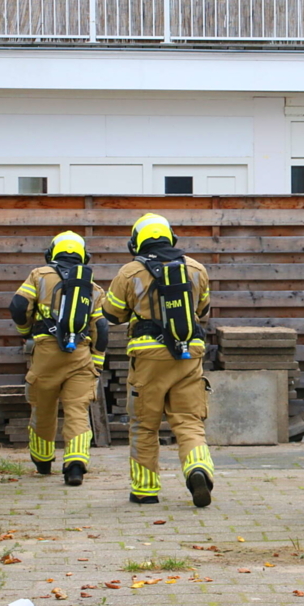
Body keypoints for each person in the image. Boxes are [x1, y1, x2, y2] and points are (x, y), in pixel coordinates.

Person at [102, 213, 214, 507]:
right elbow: (203, 311)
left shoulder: (130, 271)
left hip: (148, 357)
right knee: (189, 422)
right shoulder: (196, 268)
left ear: (135, 242)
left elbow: (112, 314)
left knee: (144, 424)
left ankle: (145, 489)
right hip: (189, 355)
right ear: (171, 237)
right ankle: (198, 469)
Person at [8, 231, 108, 486]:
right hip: (80, 355)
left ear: (52, 253)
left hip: (46, 352)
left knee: (43, 407)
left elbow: (19, 306)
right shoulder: (94, 288)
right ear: (83, 256)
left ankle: (43, 461)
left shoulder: (39, 276)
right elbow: (102, 328)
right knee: (77, 410)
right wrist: (96, 362)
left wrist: (26, 332)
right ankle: (75, 465)